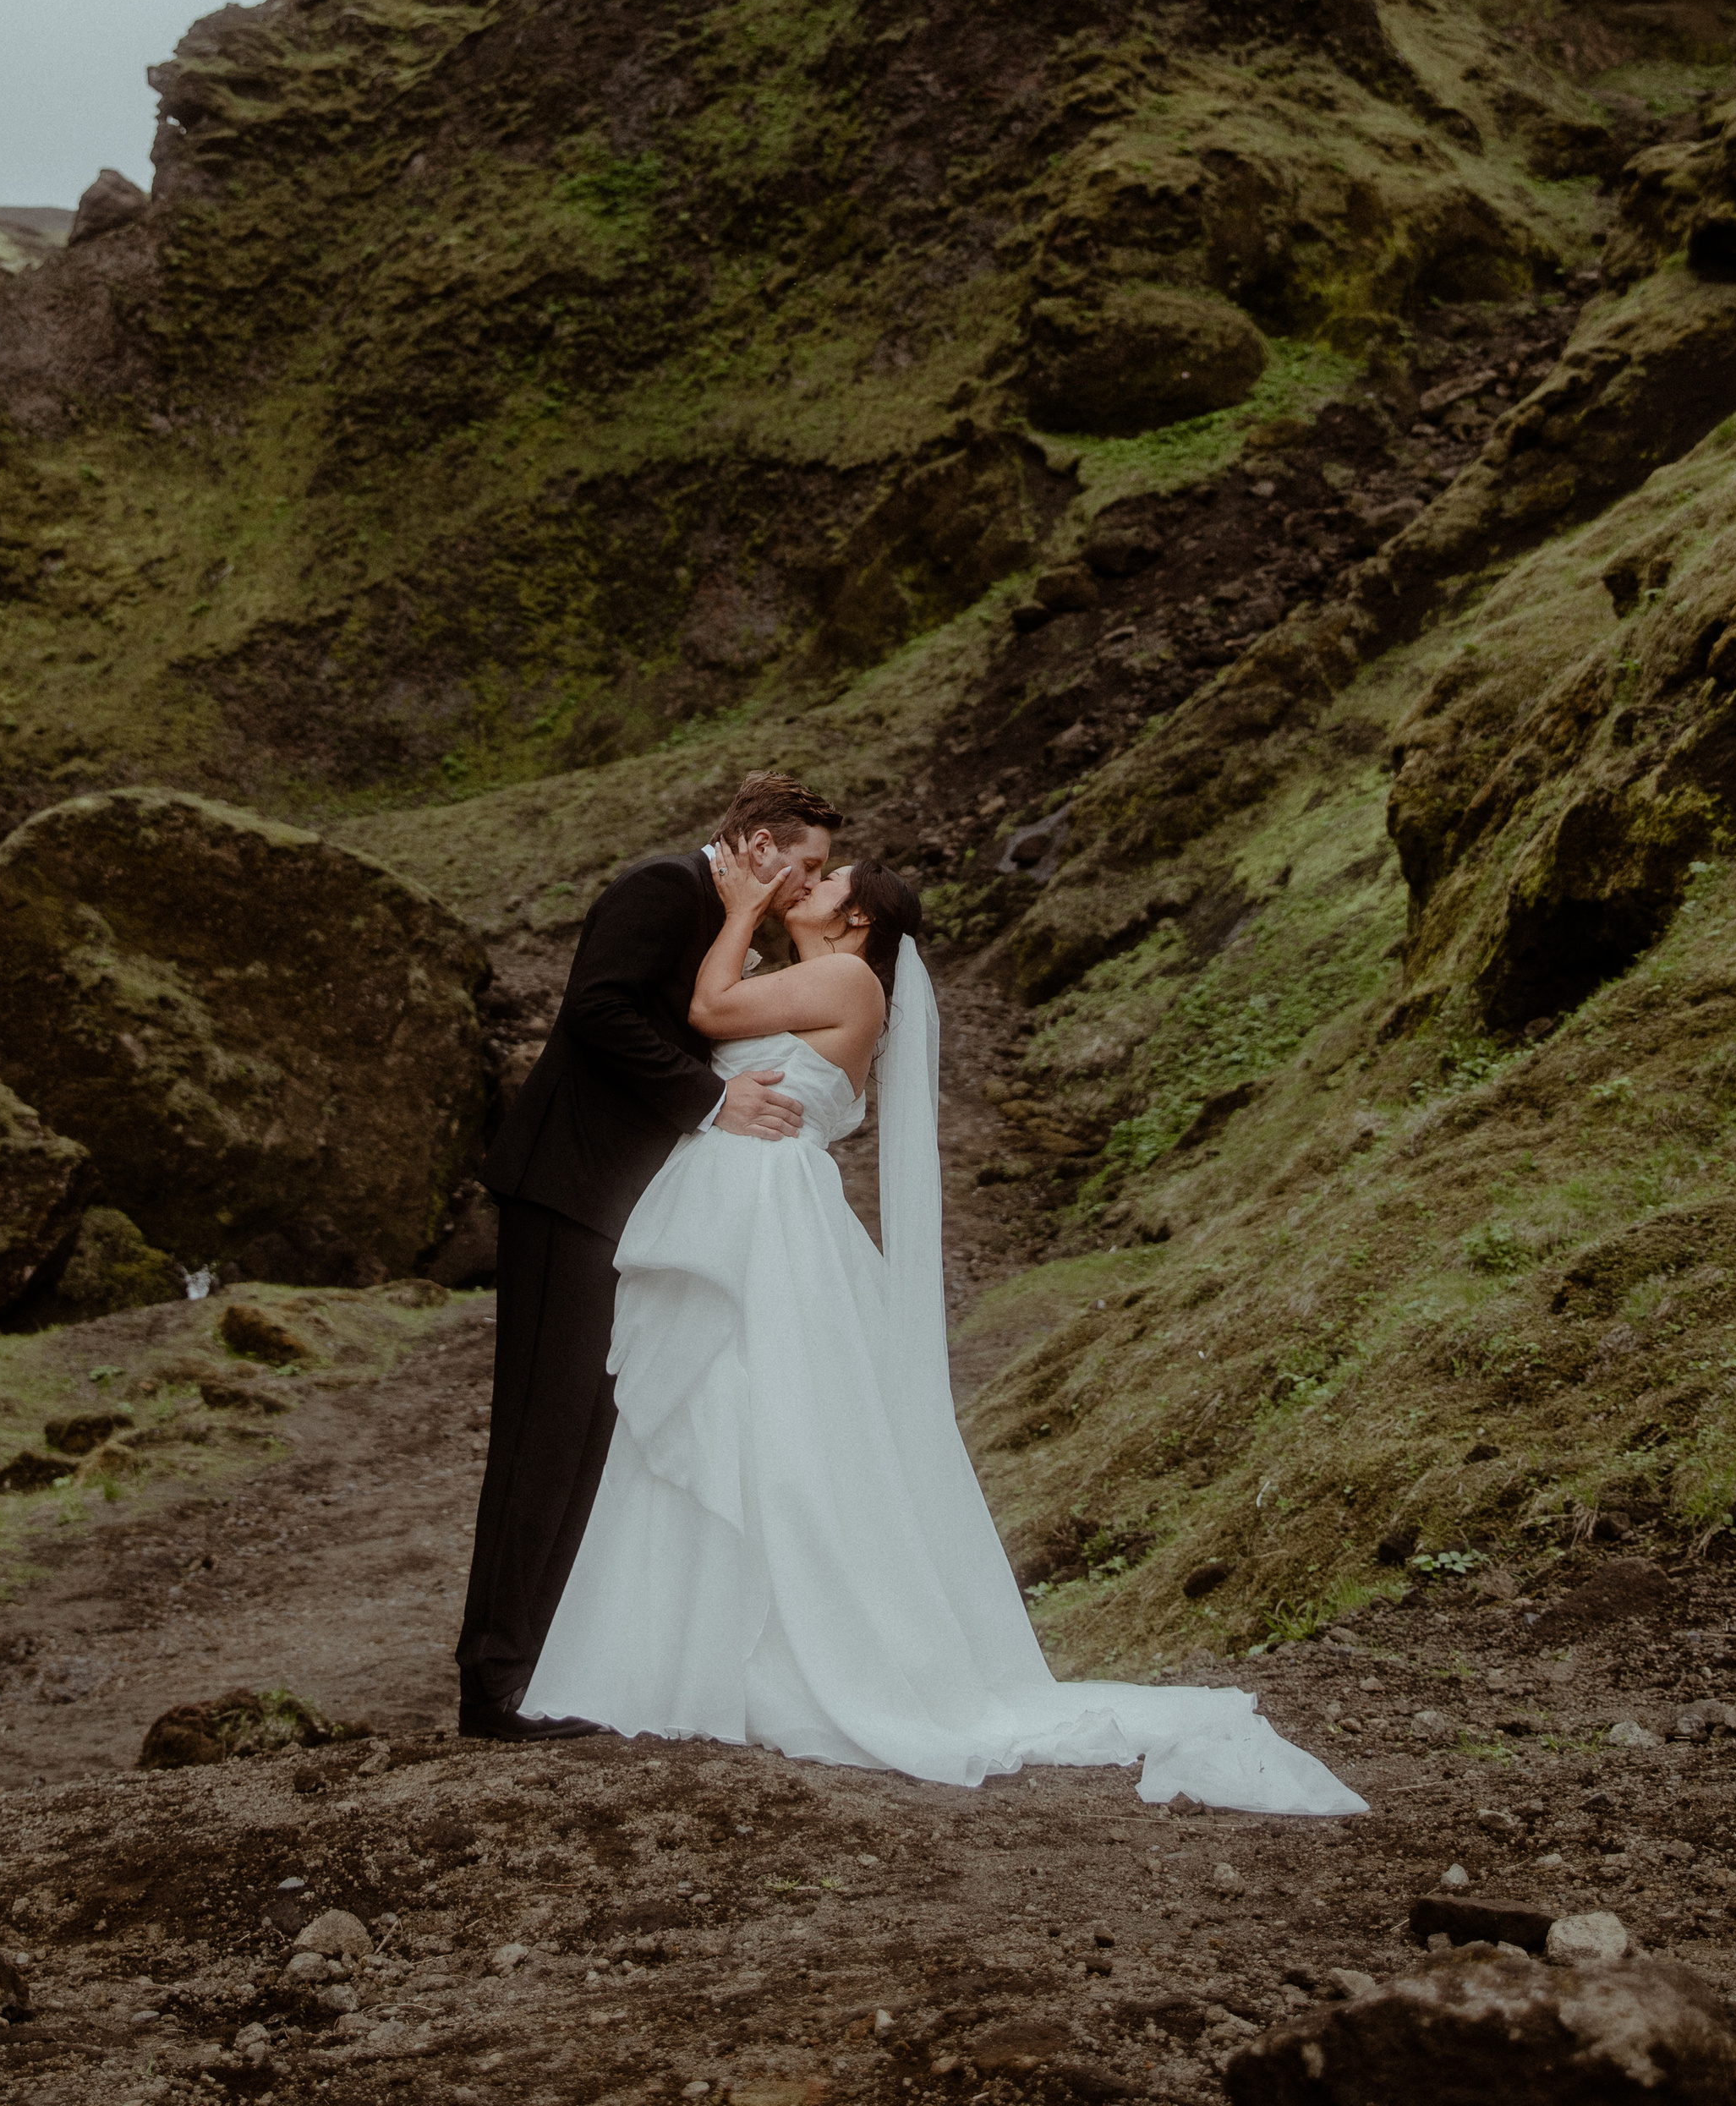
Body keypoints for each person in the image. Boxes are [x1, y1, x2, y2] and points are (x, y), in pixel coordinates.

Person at [523, 845, 1365, 1812]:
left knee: (761, 1417)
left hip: (765, 1215)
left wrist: (738, 909)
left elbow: (707, 1015)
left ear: (860, 921)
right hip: (751, 1206)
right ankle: (688, 1653)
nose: (809, 883)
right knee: (734, 1414)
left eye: (828, 881)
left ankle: (742, 1658)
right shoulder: (808, 977)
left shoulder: (839, 977)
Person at [454, 770, 841, 1741]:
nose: (807, 885)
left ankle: (539, 1668)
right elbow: (598, 1011)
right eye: (806, 866)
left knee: (591, 1433)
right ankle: (491, 1688)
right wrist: (712, 1103)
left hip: (624, 1207)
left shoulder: (725, 926)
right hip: (567, 1190)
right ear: (756, 843)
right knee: (543, 1436)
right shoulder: (661, 889)